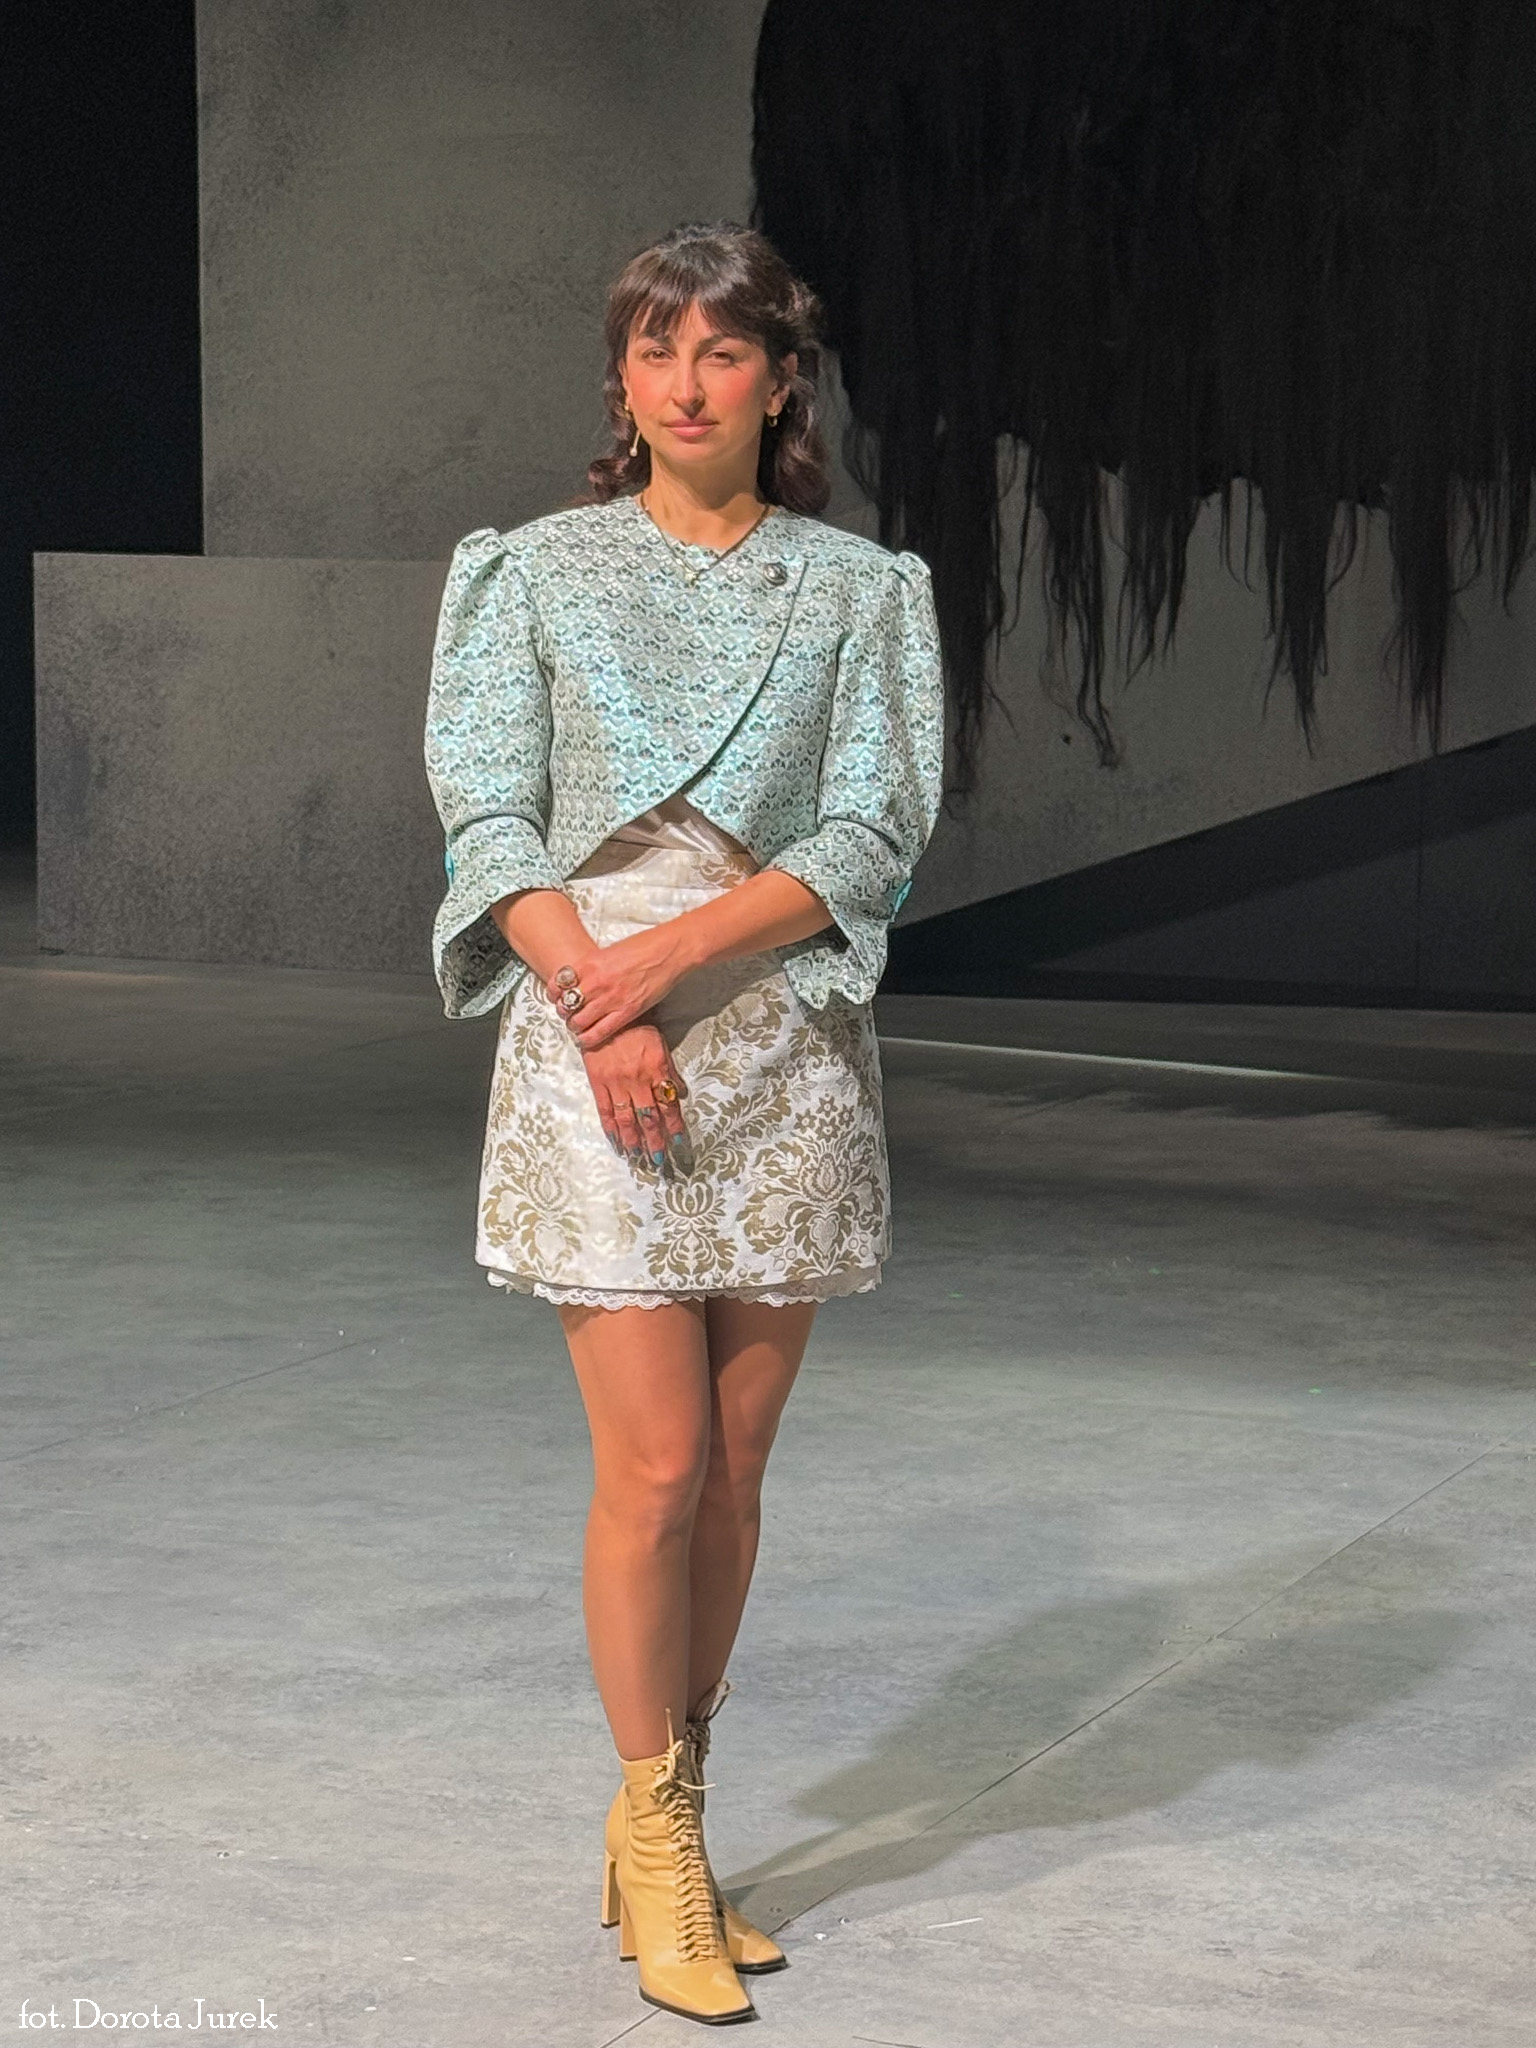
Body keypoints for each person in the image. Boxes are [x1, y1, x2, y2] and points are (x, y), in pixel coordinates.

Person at [423, 219, 945, 2026]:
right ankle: (658, 1838)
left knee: (731, 1468)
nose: (687, 383)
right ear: (621, 378)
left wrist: (676, 961)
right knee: (650, 1468)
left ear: (783, 382)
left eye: (724, 351)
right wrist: (604, 995)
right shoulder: (530, 573)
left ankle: (677, 1799)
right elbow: (490, 819)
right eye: (657, 350)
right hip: (594, 1041)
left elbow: (873, 831)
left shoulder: (861, 590)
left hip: (780, 1037)